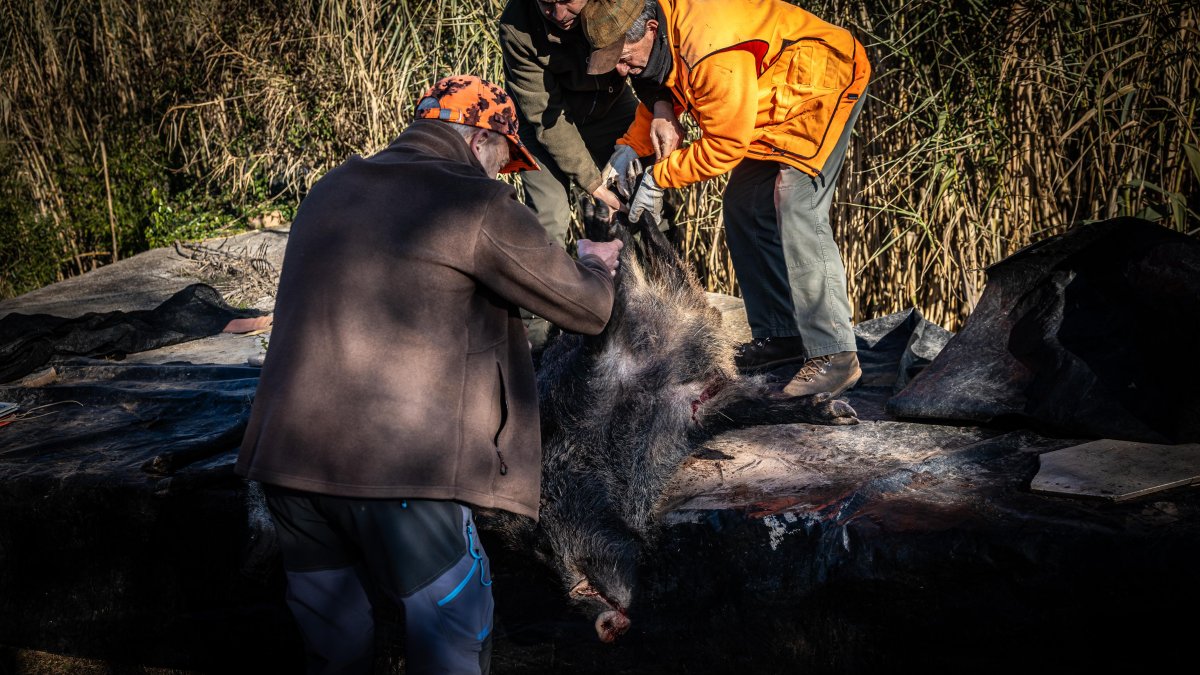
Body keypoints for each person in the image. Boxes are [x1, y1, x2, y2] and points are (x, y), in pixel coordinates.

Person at [236, 75, 622, 675]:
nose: (503, 172)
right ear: (479, 138)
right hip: (402, 474)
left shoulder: (331, 188)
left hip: (289, 464)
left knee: (333, 647)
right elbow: (587, 310)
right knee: (452, 635)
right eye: (503, 157)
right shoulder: (477, 202)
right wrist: (597, 264)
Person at [581, 0, 871, 398]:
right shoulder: (667, 27)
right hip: (772, 98)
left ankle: (835, 354)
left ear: (649, 29)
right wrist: (632, 146)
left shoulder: (711, 51)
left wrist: (659, 178)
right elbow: (676, 89)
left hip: (820, 83)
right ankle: (782, 335)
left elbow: (725, 146)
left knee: (796, 203)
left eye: (624, 58)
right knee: (744, 206)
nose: (620, 69)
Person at [499, 0, 642, 244]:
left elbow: (647, 55)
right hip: (542, 118)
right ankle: (544, 279)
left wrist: (659, 104)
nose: (558, 14)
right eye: (546, 3)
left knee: (644, 197)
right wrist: (593, 184)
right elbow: (544, 113)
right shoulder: (516, 27)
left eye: (567, 0)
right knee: (548, 217)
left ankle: (666, 278)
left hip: (609, 102)